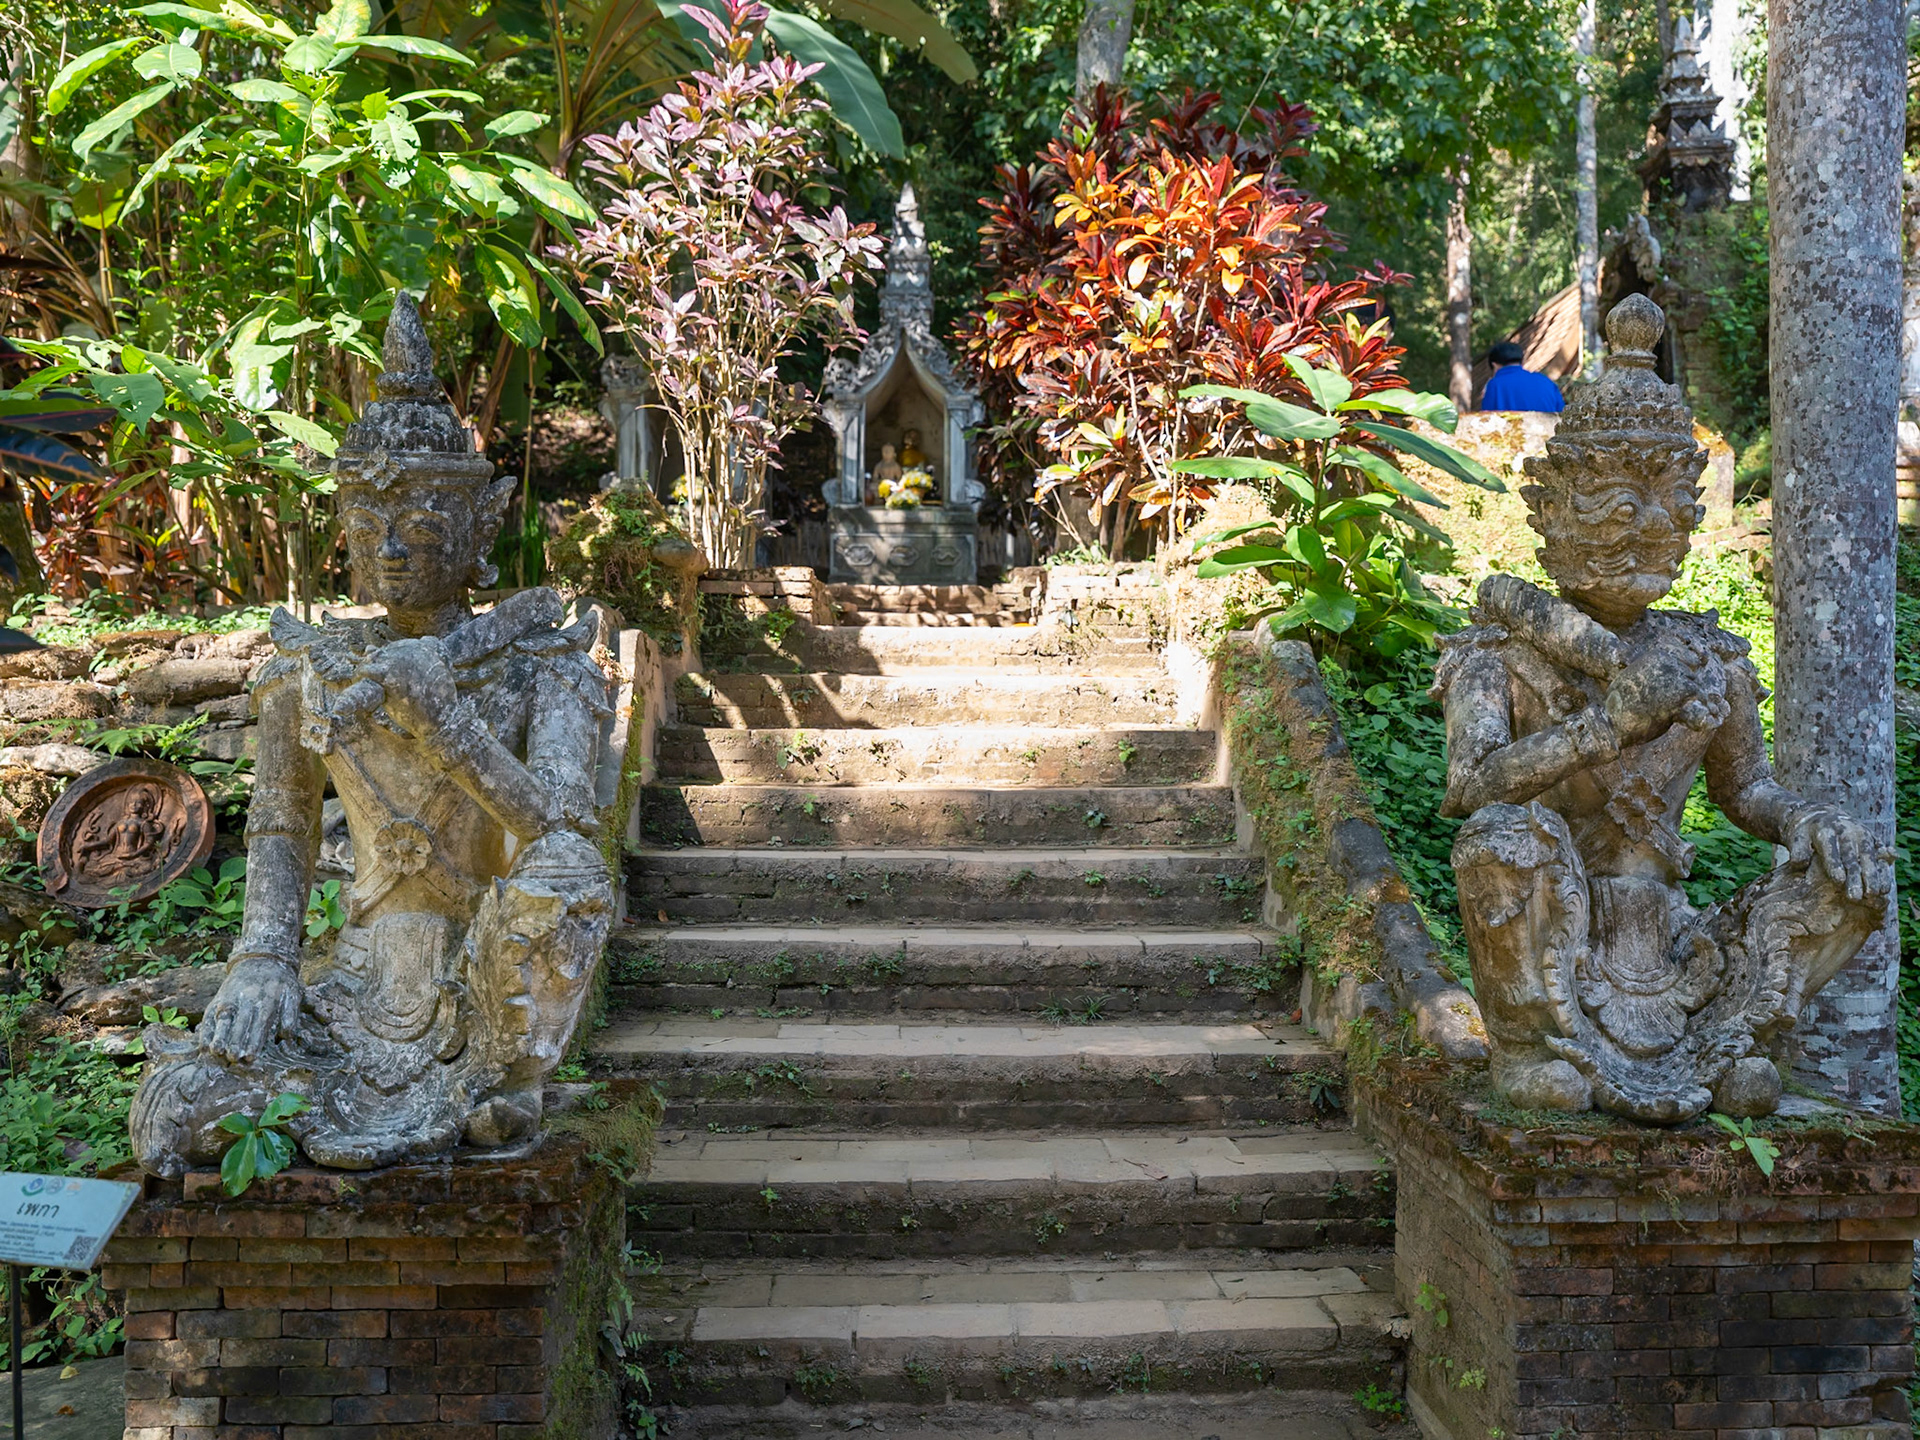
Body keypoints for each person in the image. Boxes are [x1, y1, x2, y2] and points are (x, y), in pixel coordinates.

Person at [1479, 340, 1565, 413]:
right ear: (1521, 361)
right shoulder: (1546, 381)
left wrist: (1486, 396)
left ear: (1494, 365)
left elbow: (1487, 420)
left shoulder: (1494, 385)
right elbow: (1562, 414)